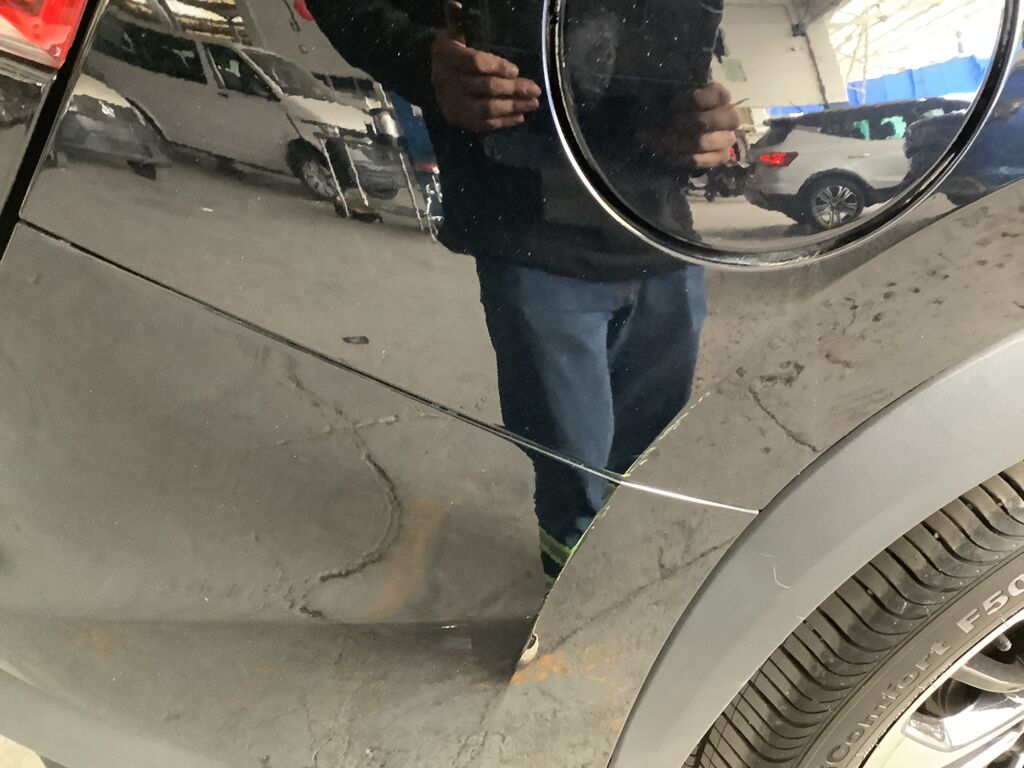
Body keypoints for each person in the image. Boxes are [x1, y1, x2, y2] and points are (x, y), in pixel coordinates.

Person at [308, 0, 740, 581]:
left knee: (654, 456)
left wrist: (706, 126)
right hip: (532, 231)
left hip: (661, 235)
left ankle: (626, 578)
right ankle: (573, 591)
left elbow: (684, 44)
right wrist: (420, 60)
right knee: (574, 470)